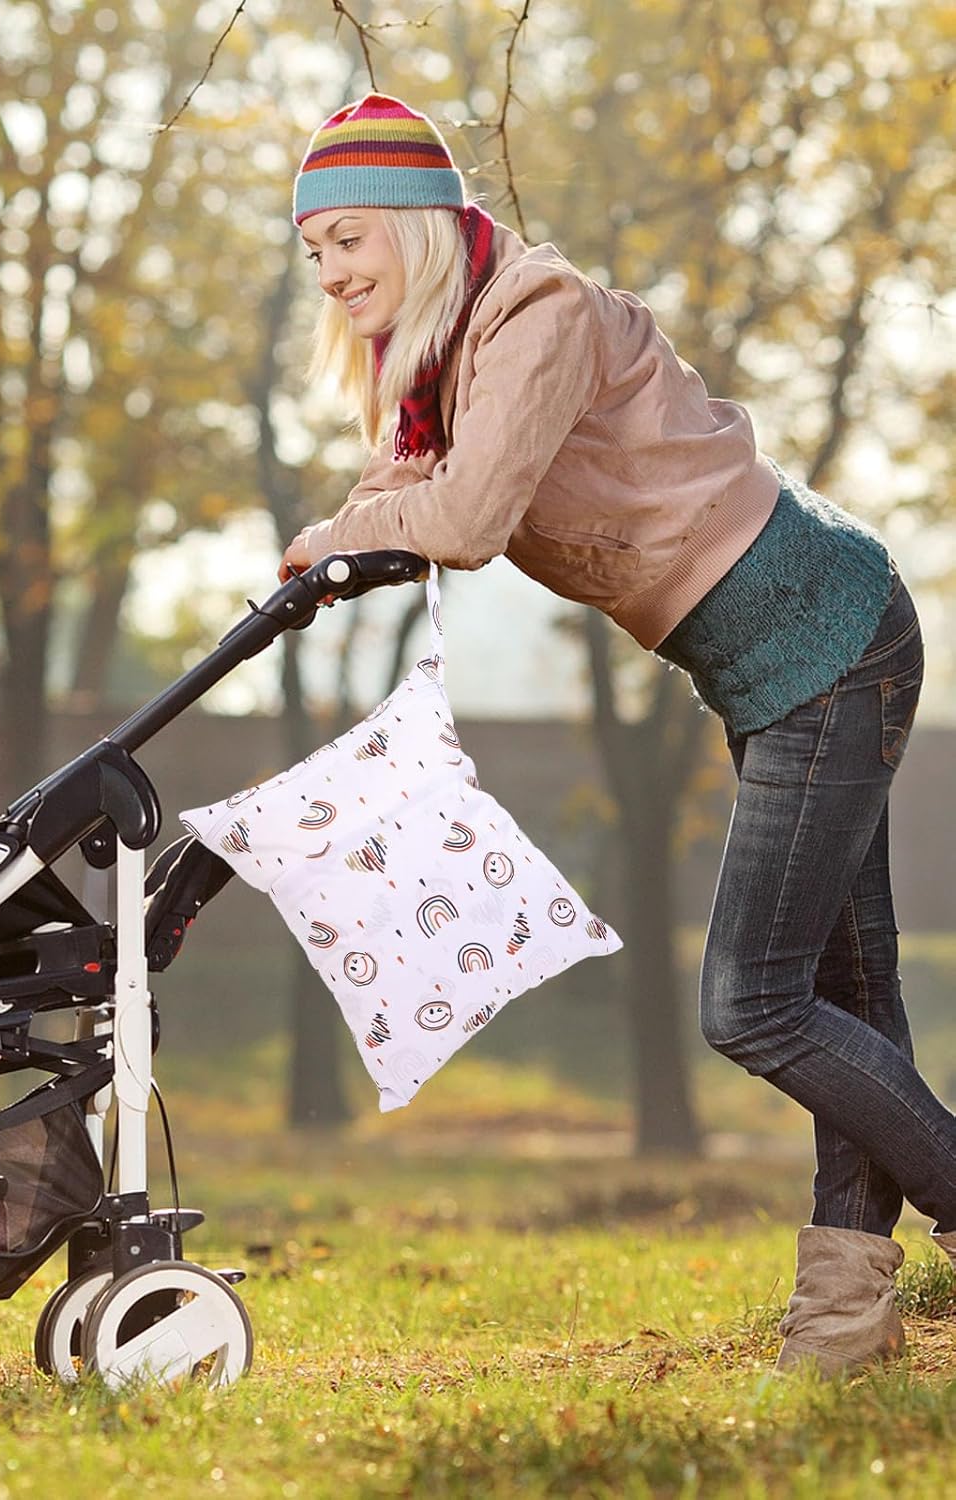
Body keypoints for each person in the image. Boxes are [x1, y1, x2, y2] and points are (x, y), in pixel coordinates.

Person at [280, 92, 950, 1377]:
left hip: (830, 637)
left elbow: (467, 516)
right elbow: (412, 485)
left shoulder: (539, 313)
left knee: (754, 1004)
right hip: (776, 665)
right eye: (314, 252)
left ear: (423, 225)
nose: (333, 273)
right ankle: (847, 1322)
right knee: (848, 999)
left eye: (350, 239)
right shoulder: (446, 360)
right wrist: (335, 541)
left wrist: (351, 537)